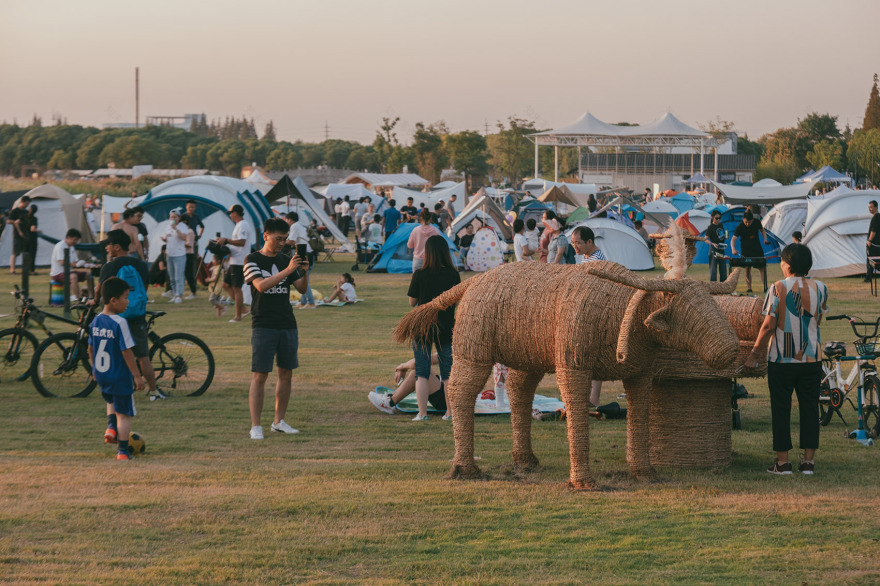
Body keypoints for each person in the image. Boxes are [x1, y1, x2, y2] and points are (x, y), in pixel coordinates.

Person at [745, 243, 828, 475]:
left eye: (781, 261)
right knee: (810, 408)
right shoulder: (821, 288)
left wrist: (754, 353)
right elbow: (817, 320)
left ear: (788, 264)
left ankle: (783, 464)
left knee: (781, 409)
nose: (780, 265)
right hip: (812, 358)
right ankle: (808, 463)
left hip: (782, 359)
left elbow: (769, 325)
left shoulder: (778, 287)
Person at [243, 217, 310, 440]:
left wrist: (303, 271)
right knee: (260, 375)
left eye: (285, 239)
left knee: (286, 373)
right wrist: (288, 269)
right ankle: (256, 426)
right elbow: (261, 286)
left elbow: (301, 289)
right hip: (263, 324)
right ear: (266, 236)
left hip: (287, 323)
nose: (282, 244)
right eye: (278, 239)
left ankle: (279, 421)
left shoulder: (285, 259)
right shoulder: (251, 259)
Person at [96, 229, 162, 401]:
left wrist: (93, 300)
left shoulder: (110, 267)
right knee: (143, 357)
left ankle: (118, 386)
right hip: (137, 315)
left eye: (109, 245)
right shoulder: (140, 264)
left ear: (117, 247)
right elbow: (145, 288)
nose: (107, 248)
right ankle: (154, 392)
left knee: (117, 352)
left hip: (116, 317)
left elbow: (100, 290)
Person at [90, 276, 147, 461]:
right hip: (119, 376)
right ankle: (123, 451)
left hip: (102, 374)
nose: (128, 301)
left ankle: (110, 427)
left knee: (111, 401)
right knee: (124, 414)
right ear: (113, 300)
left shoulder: (96, 321)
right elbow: (127, 352)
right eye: (125, 297)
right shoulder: (120, 323)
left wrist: (94, 369)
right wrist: (137, 376)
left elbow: (90, 348)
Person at [405, 235, 461, 421]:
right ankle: (450, 413)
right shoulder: (453, 275)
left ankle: (422, 414)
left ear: (427, 253)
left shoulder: (419, 274)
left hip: (422, 327)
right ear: (445, 253)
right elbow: (456, 301)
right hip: (445, 327)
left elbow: (413, 301)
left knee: (421, 372)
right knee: (447, 372)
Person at [571, 226, 606, 407]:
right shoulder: (586, 258)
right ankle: (590, 397)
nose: (575, 246)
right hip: (586, 309)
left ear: (590, 242)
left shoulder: (596, 260)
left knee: (592, 355)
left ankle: (593, 398)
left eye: (578, 243)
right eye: (573, 243)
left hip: (593, 311)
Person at [368, 354, 445, 415]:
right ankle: (391, 397)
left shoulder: (454, 347)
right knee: (424, 369)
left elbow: (419, 362)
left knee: (421, 371)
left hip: (448, 400)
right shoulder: (453, 346)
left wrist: (402, 366)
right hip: (448, 392)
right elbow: (423, 359)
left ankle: (390, 403)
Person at [216, 205, 250, 322]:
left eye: (231, 213)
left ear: (236, 213)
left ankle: (238, 316)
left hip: (240, 261)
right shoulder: (238, 226)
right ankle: (244, 309)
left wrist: (226, 240)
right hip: (234, 260)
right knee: (226, 285)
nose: (230, 215)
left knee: (237, 288)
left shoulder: (243, 225)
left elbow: (241, 242)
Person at [730, 210, 769, 293]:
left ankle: (765, 287)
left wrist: (765, 239)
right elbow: (733, 239)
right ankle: (749, 288)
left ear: (752, 220)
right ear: (743, 219)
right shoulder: (740, 226)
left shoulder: (757, 222)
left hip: (757, 248)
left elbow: (762, 230)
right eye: (746, 222)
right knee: (747, 269)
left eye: (749, 222)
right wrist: (733, 248)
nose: (747, 224)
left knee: (762, 268)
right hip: (745, 250)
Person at [50, 228, 90, 300]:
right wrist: (75, 265)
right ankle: (78, 299)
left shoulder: (71, 247)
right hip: (57, 273)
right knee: (73, 276)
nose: (76, 242)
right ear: (68, 237)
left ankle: (91, 297)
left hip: (68, 272)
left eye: (77, 240)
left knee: (88, 274)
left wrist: (84, 263)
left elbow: (75, 261)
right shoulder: (60, 246)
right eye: (75, 239)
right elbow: (62, 262)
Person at [160, 208, 188, 304]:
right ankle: (174, 293)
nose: (173, 218)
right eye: (171, 217)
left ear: (179, 218)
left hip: (179, 254)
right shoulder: (167, 227)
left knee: (178, 276)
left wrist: (176, 229)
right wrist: (164, 239)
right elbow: (167, 238)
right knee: (171, 276)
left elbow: (184, 238)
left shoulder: (183, 226)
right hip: (169, 253)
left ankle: (179, 295)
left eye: (175, 217)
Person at [7, 195, 31, 274]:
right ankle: (12, 270)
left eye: (28, 204)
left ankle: (26, 269)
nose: (27, 205)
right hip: (17, 235)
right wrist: (15, 222)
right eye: (26, 203)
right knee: (15, 252)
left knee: (26, 252)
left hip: (25, 234)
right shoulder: (15, 211)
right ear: (22, 202)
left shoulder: (26, 212)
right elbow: (8, 221)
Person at [706, 210, 728, 282]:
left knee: (723, 269)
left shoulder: (720, 225)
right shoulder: (710, 227)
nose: (718, 220)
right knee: (713, 270)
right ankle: (713, 287)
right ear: (712, 217)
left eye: (719, 218)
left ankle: (723, 287)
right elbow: (705, 239)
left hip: (721, 248)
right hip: (713, 249)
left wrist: (725, 236)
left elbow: (721, 236)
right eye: (716, 218)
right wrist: (712, 243)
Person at [866, 200, 880, 282]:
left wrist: (869, 240)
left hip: (874, 244)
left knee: (871, 260)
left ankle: (869, 277)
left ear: (876, 207)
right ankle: (869, 277)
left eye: (871, 207)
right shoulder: (877, 216)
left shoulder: (876, 217)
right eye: (868, 207)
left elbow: (873, 230)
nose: (869, 209)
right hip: (876, 244)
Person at [27, 204, 39, 274]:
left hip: (25, 238)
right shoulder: (34, 219)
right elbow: (32, 229)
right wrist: (39, 230)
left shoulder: (24, 217)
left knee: (26, 255)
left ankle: (26, 269)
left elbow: (16, 222)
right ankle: (32, 270)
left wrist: (20, 232)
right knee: (32, 255)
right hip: (32, 239)